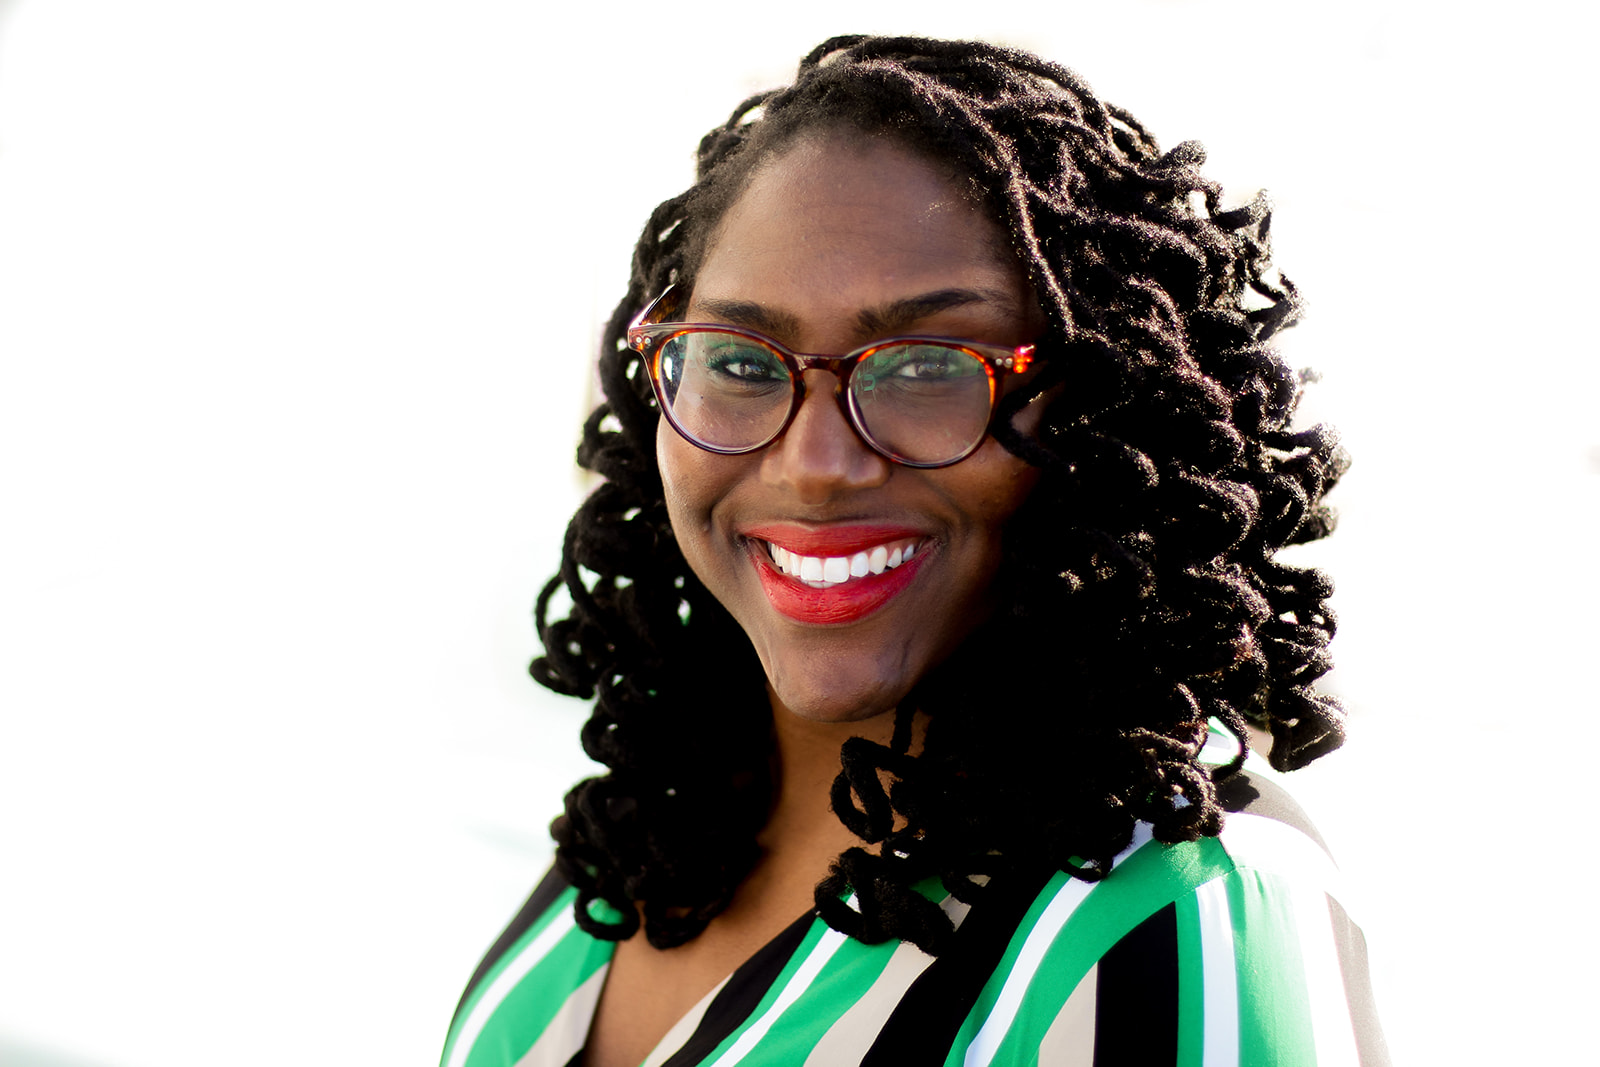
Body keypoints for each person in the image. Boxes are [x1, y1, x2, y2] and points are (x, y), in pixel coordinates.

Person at [441, 35, 1385, 1067]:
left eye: (929, 367)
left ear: (1102, 410)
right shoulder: (652, 817)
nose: (815, 465)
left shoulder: (1175, 908)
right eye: (739, 362)